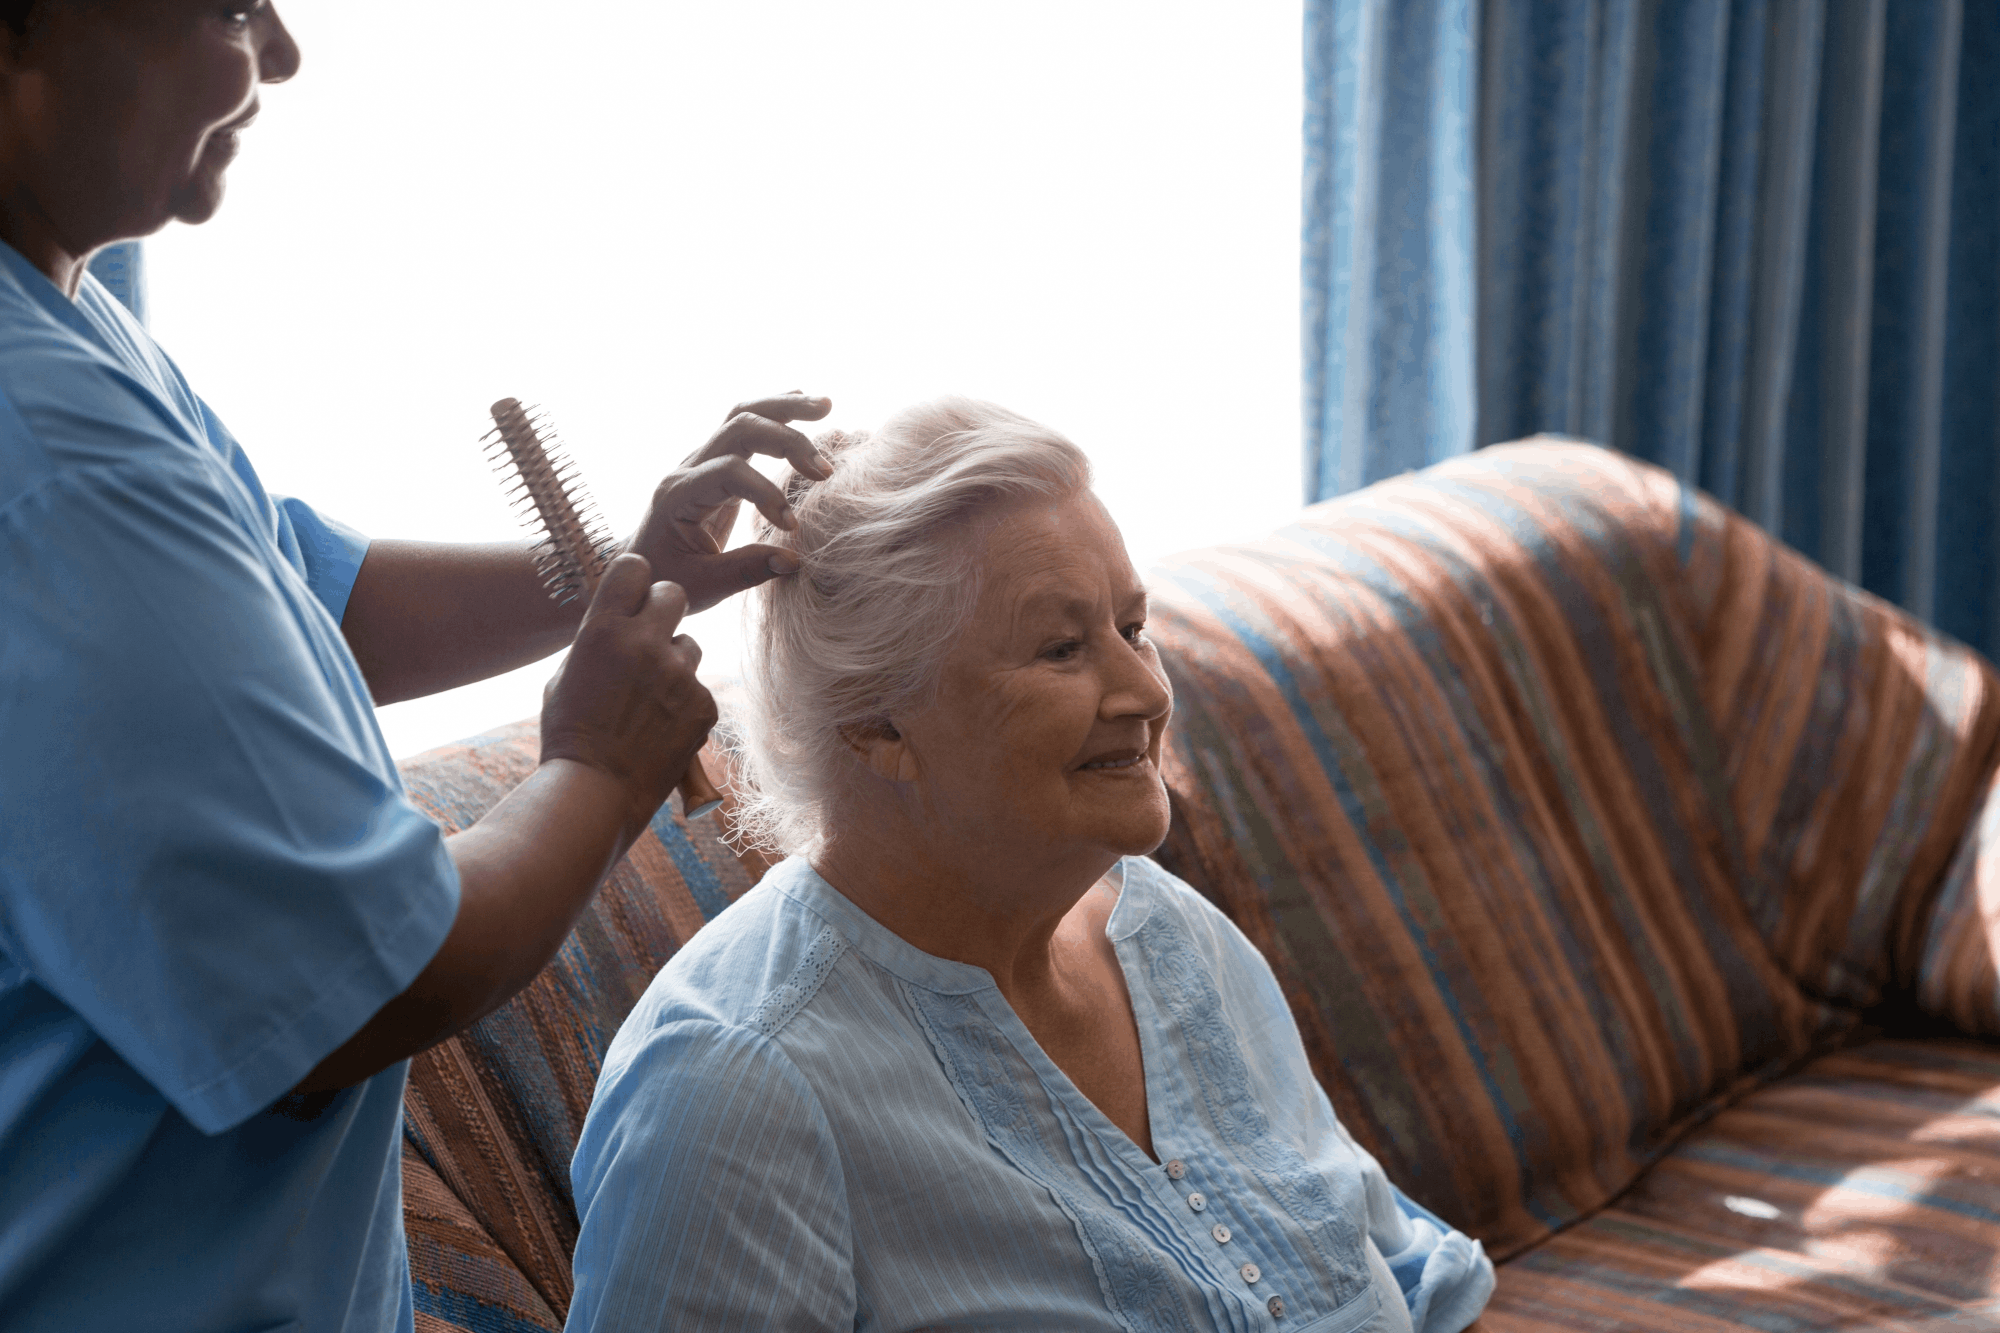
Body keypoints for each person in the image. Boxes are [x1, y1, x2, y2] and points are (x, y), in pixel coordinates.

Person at [0, 3, 831, 1329]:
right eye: (231, 8)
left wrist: (621, 562)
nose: (279, 57)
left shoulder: (63, 304)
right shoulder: (41, 448)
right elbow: (356, 990)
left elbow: (286, 599)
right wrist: (601, 772)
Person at [565, 398, 1496, 1331]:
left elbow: (1406, 1272)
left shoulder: (1167, 932)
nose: (1145, 690)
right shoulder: (736, 1089)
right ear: (878, 723)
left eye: (1133, 627)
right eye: (1061, 649)